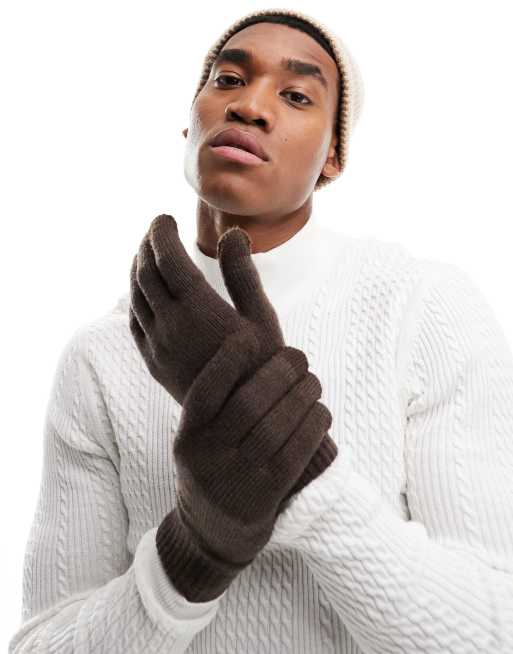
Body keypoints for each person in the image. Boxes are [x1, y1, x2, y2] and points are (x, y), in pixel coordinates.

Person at [9, 8, 513, 654]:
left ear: (333, 156)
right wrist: (192, 554)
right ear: (189, 121)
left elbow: (493, 634)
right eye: (227, 80)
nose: (249, 106)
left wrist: (302, 471)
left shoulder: (422, 307)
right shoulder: (101, 355)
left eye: (296, 95)